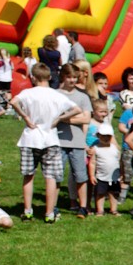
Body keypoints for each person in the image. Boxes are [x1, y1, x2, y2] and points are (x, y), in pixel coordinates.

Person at [12, 63, 83, 224]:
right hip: (51, 139)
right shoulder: (56, 95)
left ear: (32, 77)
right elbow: (77, 109)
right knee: (50, 177)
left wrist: (25, 117)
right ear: (50, 77)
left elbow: (13, 101)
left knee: (28, 176)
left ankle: (27, 211)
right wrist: (60, 118)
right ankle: (49, 213)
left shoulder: (28, 93)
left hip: (30, 138)